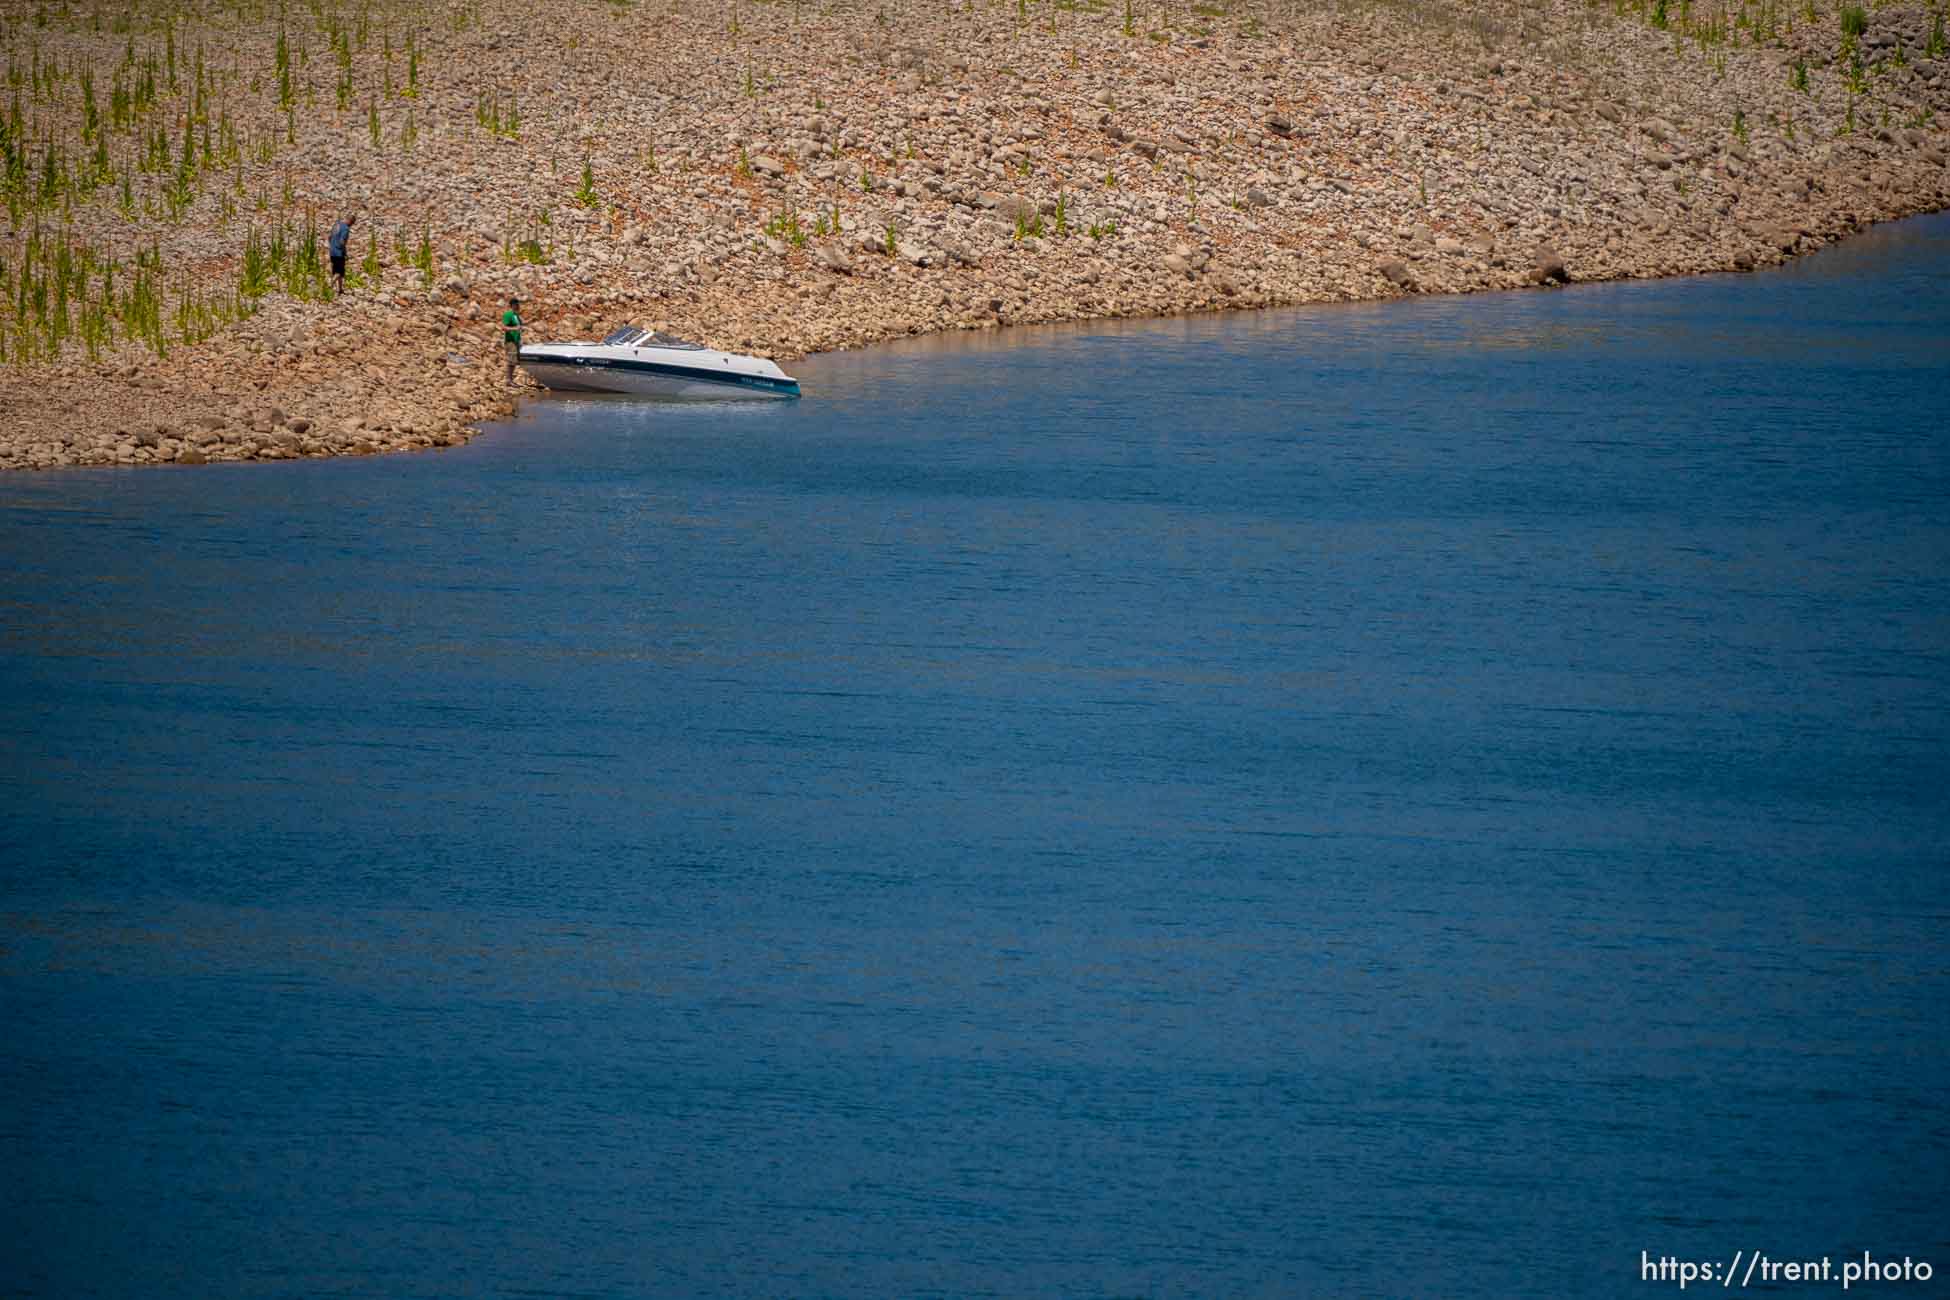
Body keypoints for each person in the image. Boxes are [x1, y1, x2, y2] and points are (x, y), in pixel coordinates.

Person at [328, 214, 355, 296]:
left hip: (332, 251)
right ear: (350, 221)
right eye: (352, 223)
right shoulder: (346, 229)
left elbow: (329, 237)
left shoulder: (337, 224)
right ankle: (329, 285)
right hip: (339, 252)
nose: (351, 225)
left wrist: (332, 245)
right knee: (339, 272)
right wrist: (345, 252)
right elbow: (342, 241)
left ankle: (340, 289)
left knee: (336, 270)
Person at [502, 296, 523, 385]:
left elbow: (520, 325)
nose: (518, 306)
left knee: (514, 361)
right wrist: (515, 329)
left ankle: (511, 379)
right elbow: (504, 327)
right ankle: (508, 380)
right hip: (510, 341)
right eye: (516, 304)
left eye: (518, 304)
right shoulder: (508, 314)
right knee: (511, 361)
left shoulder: (516, 315)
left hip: (516, 340)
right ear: (512, 305)